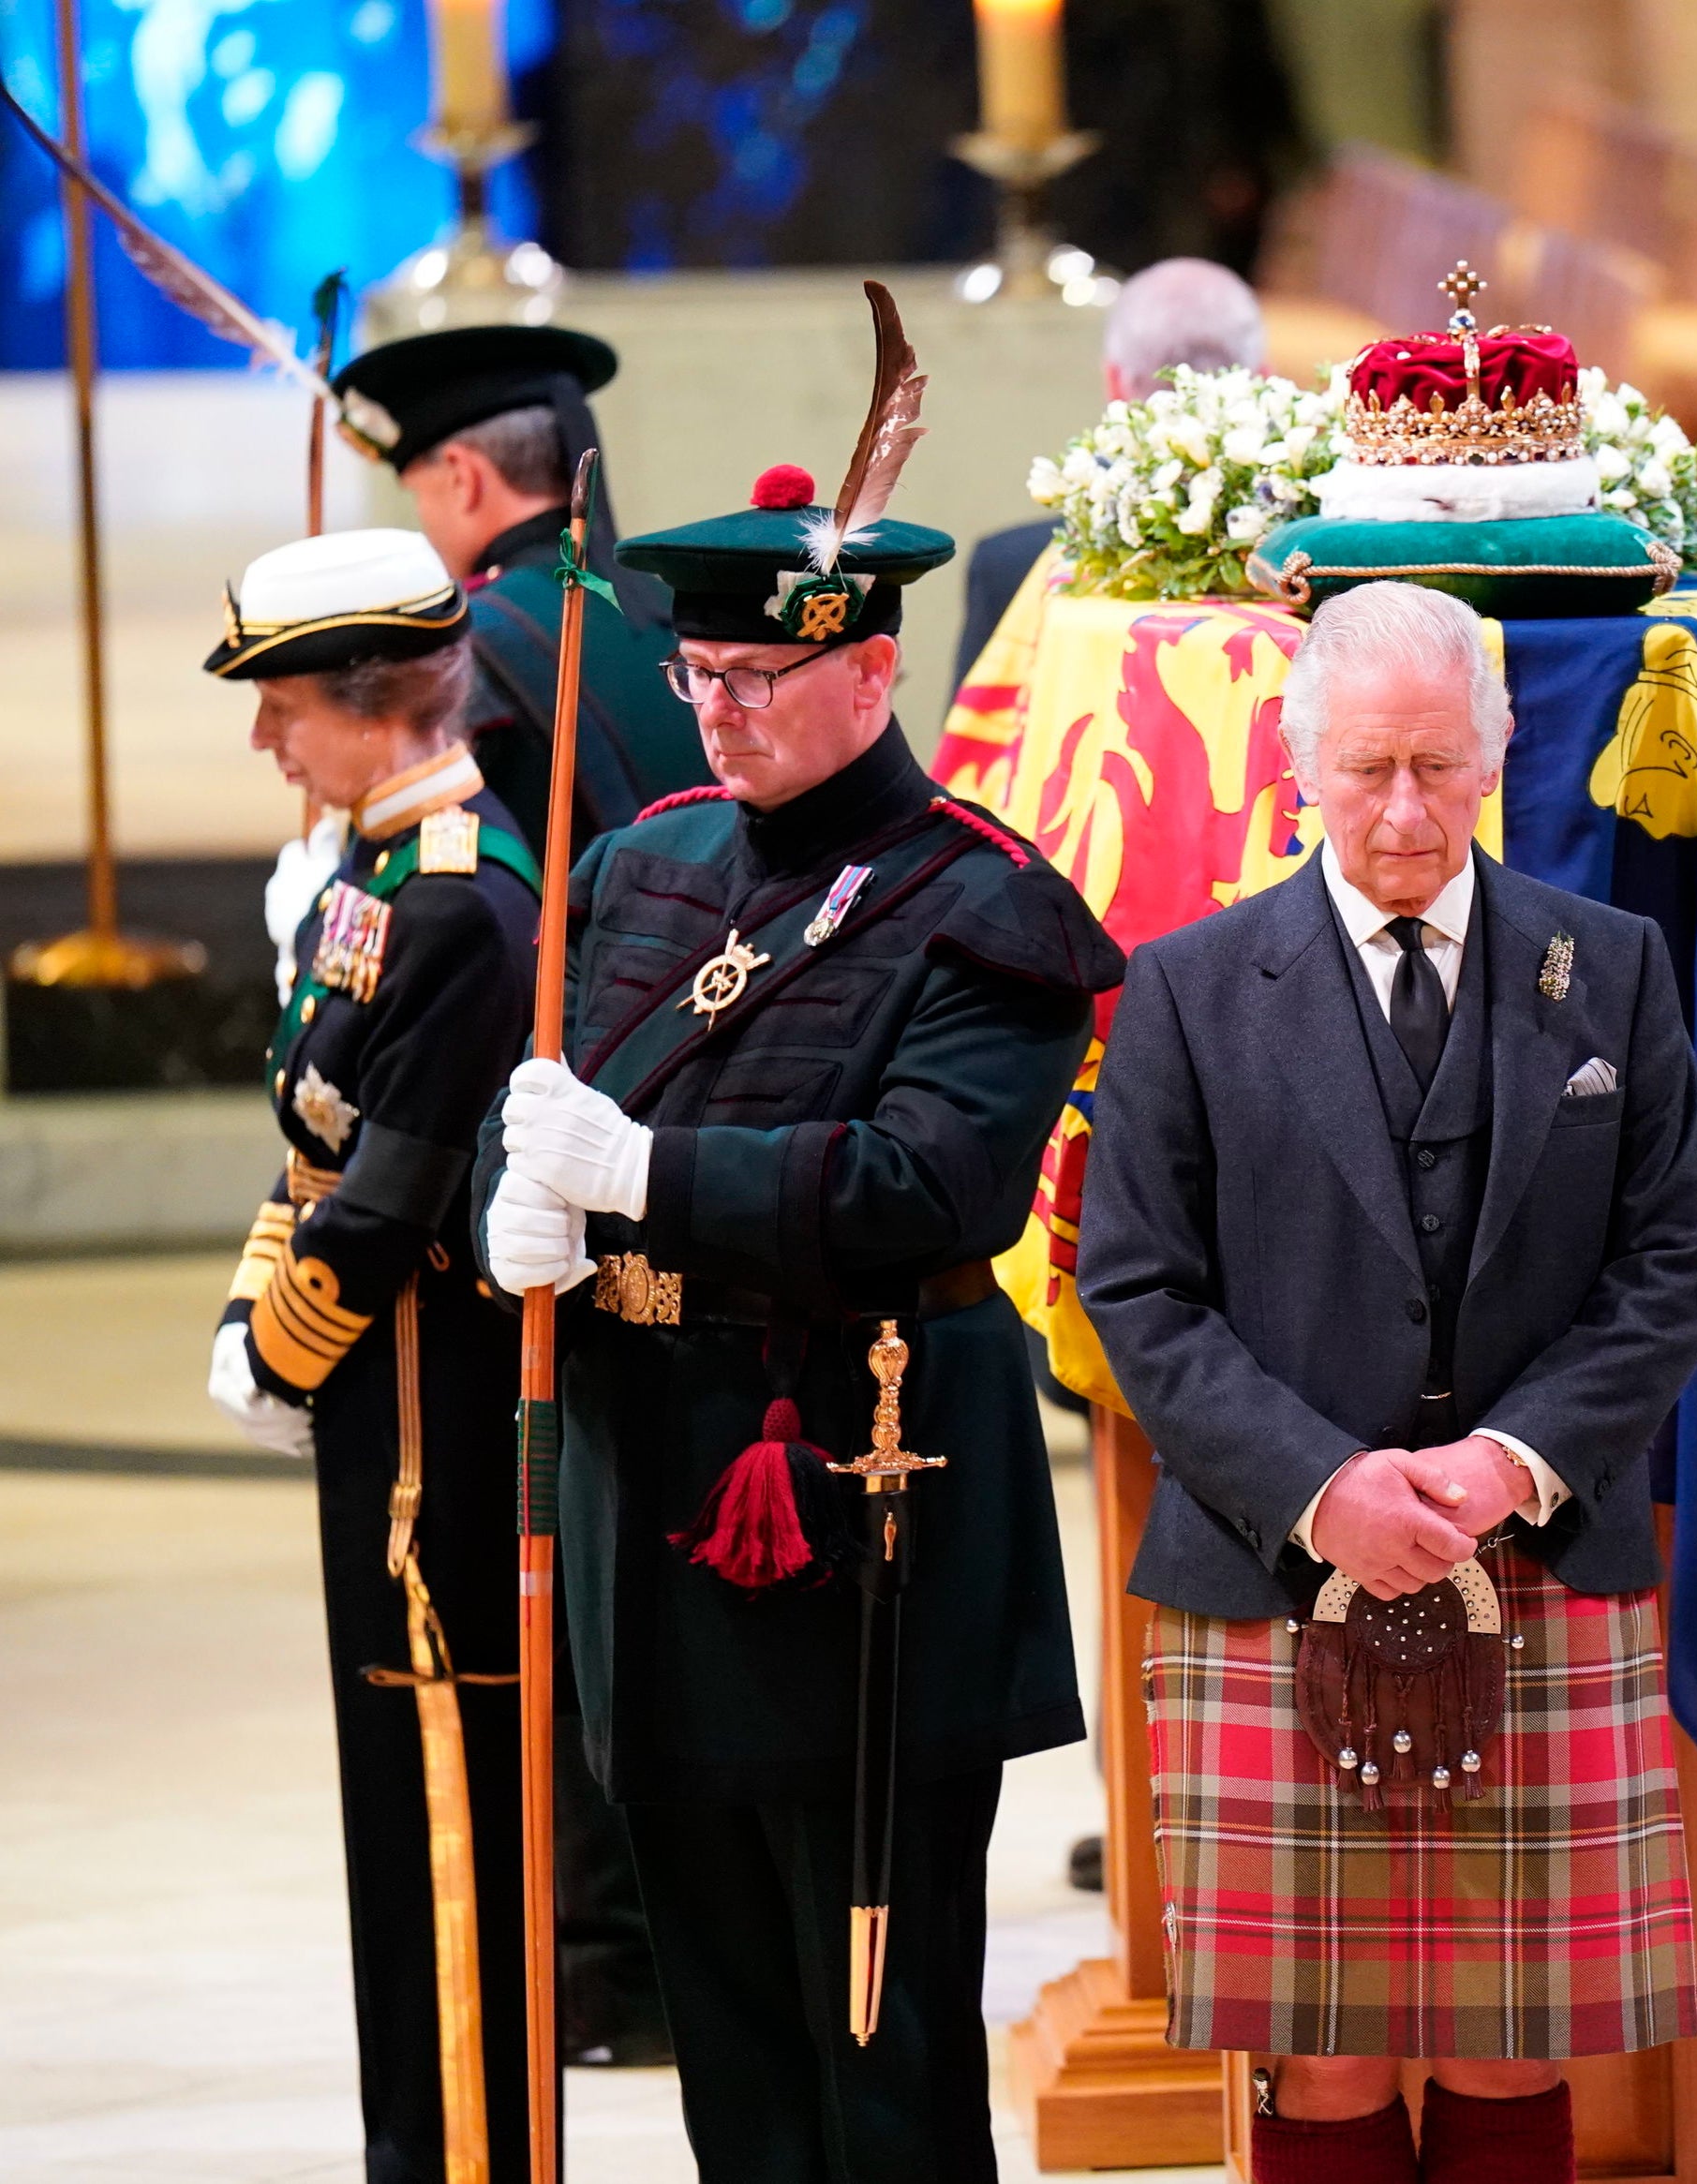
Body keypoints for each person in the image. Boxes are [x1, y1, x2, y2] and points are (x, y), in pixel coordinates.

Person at [473, 445, 1123, 2183]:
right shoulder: (639, 865)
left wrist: (643, 1171)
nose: (720, 711)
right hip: (649, 1504)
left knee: (879, 2044)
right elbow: (534, 1099)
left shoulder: (986, 903)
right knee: (731, 2039)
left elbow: (931, 1184)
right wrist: (509, 1210)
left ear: (870, 667)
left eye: (760, 675)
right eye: (700, 672)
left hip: (858, 1519)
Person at [1077, 582, 1697, 2184]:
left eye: (1439, 764)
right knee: (1326, 2043)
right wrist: (1321, 1487)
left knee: (1513, 2028)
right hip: (1272, 1565)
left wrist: (1512, 1460)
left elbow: (1672, 1262)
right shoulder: (1188, 985)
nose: (1406, 809)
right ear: (1299, 763)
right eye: (1367, 768)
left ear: (1497, 755)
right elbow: (1138, 1289)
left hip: (1541, 1547)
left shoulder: (1612, 966)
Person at [335, 318, 714, 2062]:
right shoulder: (651, 606)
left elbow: (471, 912)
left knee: (553, 1547)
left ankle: (604, 1959)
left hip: (552, 1137)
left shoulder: (486, 637)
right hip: (698, 1126)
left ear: (464, 480)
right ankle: (651, 1948)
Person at [203, 527, 542, 2183]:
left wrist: (279, 1351)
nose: (266, 738)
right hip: (378, 1411)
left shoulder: (458, 900)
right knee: (393, 1836)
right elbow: (317, 1151)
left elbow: (393, 1191)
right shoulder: (377, 869)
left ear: (376, 699)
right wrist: (251, 1312)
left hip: (432, 1439)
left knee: (444, 1837)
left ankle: (462, 2158)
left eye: (285, 706)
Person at [335, 323, 713, 865]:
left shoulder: (460, 644)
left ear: (463, 476)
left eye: (417, 494)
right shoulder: (682, 608)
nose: (423, 519)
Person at [948, 256, 1269, 686]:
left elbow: (978, 726)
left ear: (1114, 383)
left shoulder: (1013, 570)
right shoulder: (1308, 570)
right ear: (1262, 379)